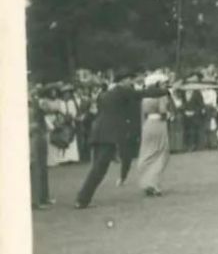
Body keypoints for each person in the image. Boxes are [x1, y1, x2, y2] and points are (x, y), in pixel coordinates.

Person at [74, 71, 171, 209]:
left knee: (97, 168)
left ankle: (83, 198)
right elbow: (142, 94)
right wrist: (164, 91)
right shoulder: (121, 91)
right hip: (108, 134)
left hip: (98, 132)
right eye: (129, 80)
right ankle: (82, 199)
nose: (131, 83)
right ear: (123, 81)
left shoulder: (106, 94)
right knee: (99, 168)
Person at [135, 78, 173, 197]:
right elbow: (162, 111)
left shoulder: (144, 97)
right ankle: (153, 183)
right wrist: (169, 114)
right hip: (159, 125)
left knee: (147, 152)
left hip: (148, 124)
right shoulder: (161, 96)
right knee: (161, 153)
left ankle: (146, 182)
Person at [29, 96, 52, 209]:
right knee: (36, 168)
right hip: (33, 137)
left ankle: (44, 197)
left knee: (42, 168)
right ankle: (37, 200)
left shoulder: (37, 103)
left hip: (40, 135)